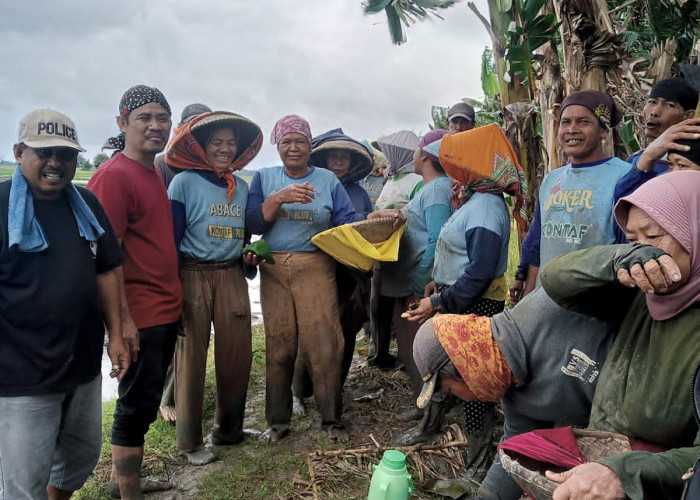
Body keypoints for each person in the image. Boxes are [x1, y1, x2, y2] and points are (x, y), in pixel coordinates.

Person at [525, 170, 700, 499]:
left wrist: (624, 473)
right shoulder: (640, 294)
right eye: (634, 239)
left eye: (654, 236)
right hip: (602, 463)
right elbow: (556, 279)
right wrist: (622, 256)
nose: (645, 253)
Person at [0, 109, 128, 500]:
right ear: (20, 152)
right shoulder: (1, 205)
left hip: (81, 362)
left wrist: (117, 335)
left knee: (79, 457)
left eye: (66, 154)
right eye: (45, 152)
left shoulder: (85, 202)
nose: (56, 162)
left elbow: (107, 268)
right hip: (22, 373)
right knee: (24, 481)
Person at [401, 124, 529, 481]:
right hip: (457, 297)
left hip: (475, 306)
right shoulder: (474, 198)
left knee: (472, 383)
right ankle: (431, 428)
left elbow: (481, 271)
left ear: (475, 164)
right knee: (443, 370)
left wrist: (440, 300)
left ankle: (477, 465)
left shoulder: (487, 206)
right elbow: (461, 257)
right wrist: (435, 282)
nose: (452, 166)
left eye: (457, 160)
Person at [412, 286, 617, 500]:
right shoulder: (515, 396)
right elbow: (517, 452)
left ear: (463, 367)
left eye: (449, 389)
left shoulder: (547, 304)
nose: (459, 398)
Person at [87, 85, 183, 499]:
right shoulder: (113, 177)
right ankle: (128, 492)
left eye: (163, 118)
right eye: (144, 117)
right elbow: (104, 259)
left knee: (141, 402)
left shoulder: (151, 172)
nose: (155, 125)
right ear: (122, 123)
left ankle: (122, 482)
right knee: (135, 405)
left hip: (162, 309)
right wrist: (120, 323)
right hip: (139, 314)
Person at [245, 114, 362, 442]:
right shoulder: (264, 178)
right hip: (274, 271)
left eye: (300, 141)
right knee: (279, 347)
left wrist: (372, 218)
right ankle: (278, 423)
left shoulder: (327, 180)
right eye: (287, 142)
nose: (294, 147)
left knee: (324, 345)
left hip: (316, 266)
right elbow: (254, 223)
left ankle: (331, 420)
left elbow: (346, 219)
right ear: (277, 146)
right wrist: (279, 198)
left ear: (311, 146)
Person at [165, 111, 263, 465]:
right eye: (217, 143)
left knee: (237, 353)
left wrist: (249, 262)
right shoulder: (184, 183)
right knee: (190, 357)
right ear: (202, 147)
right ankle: (190, 442)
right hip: (191, 274)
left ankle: (229, 430)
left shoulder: (242, 186)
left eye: (231, 144)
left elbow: (243, 237)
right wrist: (173, 291)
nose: (224, 149)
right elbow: (170, 240)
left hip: (230, 274)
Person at [510, 90, 630, 302]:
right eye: (565, 122)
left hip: (594, 304)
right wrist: (528, 293)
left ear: (603, 130)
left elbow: (626, 248)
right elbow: (538, 239)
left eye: (583, 122)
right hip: (545, 300)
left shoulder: (623, 176)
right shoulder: (552, 179)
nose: (571, 130)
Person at [369, 129, 454, 412]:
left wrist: (419, 283)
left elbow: (436, 239)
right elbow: (416, 223)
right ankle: (425, 405)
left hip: (418, 285)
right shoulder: (432, 188)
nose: (413, 154)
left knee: (418, 348)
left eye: (418, 149)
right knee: (410, 345)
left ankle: (428, 410)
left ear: (426, 155)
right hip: (410, 282)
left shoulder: (436, 189)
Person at [289, 129, 373, 404]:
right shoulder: (310, 189)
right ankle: (301, 390)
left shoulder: (360, 194)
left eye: (344, 158)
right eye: (333, 157)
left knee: (346, 332)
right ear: (323, 161)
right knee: (311, 331)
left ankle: (336, 386)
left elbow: (366, 229)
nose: (338, 162)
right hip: (316, 270)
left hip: (350, 274)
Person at [156, 102, 212, 425]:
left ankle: (174, 397)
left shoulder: (212, 169)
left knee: (190, 334)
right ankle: (164, 399)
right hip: (169, 256)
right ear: (181, 129)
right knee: (170, 333)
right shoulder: (163, 165)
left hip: (198, 261)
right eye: (191, 125)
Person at [367, 130, 422, 369]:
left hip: (405, 254)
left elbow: (417, 218)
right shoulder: (392, 179)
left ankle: (411, 361)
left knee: (405, 312)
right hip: (384, 254)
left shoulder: (417, 182)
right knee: (379, 307)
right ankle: (380, 356)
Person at [613, 77, 698, 202]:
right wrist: (647, 157)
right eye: (652, 102)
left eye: (670, 105)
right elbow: (621, 207)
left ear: (689, 116)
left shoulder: (691, 162)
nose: (654, 112)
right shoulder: (635, 160)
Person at [154, 103, 212, 189]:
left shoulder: (217, 166)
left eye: (203, 125)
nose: (197, 129)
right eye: (191, 124)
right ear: (180, 127)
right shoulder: (162, 165)